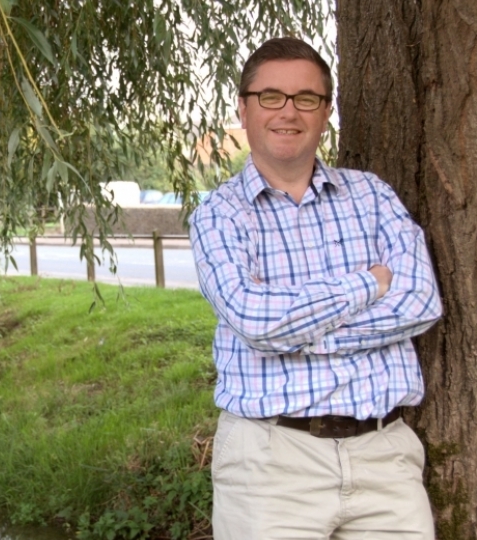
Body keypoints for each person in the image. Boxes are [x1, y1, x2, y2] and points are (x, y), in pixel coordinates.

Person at [189, 37, 443, 540]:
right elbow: (257, 322)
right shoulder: (218, 215)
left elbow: (420, 302)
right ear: (244, 108)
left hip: (385, 457)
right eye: (270, 97)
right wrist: (368, 283)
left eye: (306, 98)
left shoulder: (372, 195)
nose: (289, 111)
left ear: (325, 112)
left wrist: (298, 332)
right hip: (269, 463)